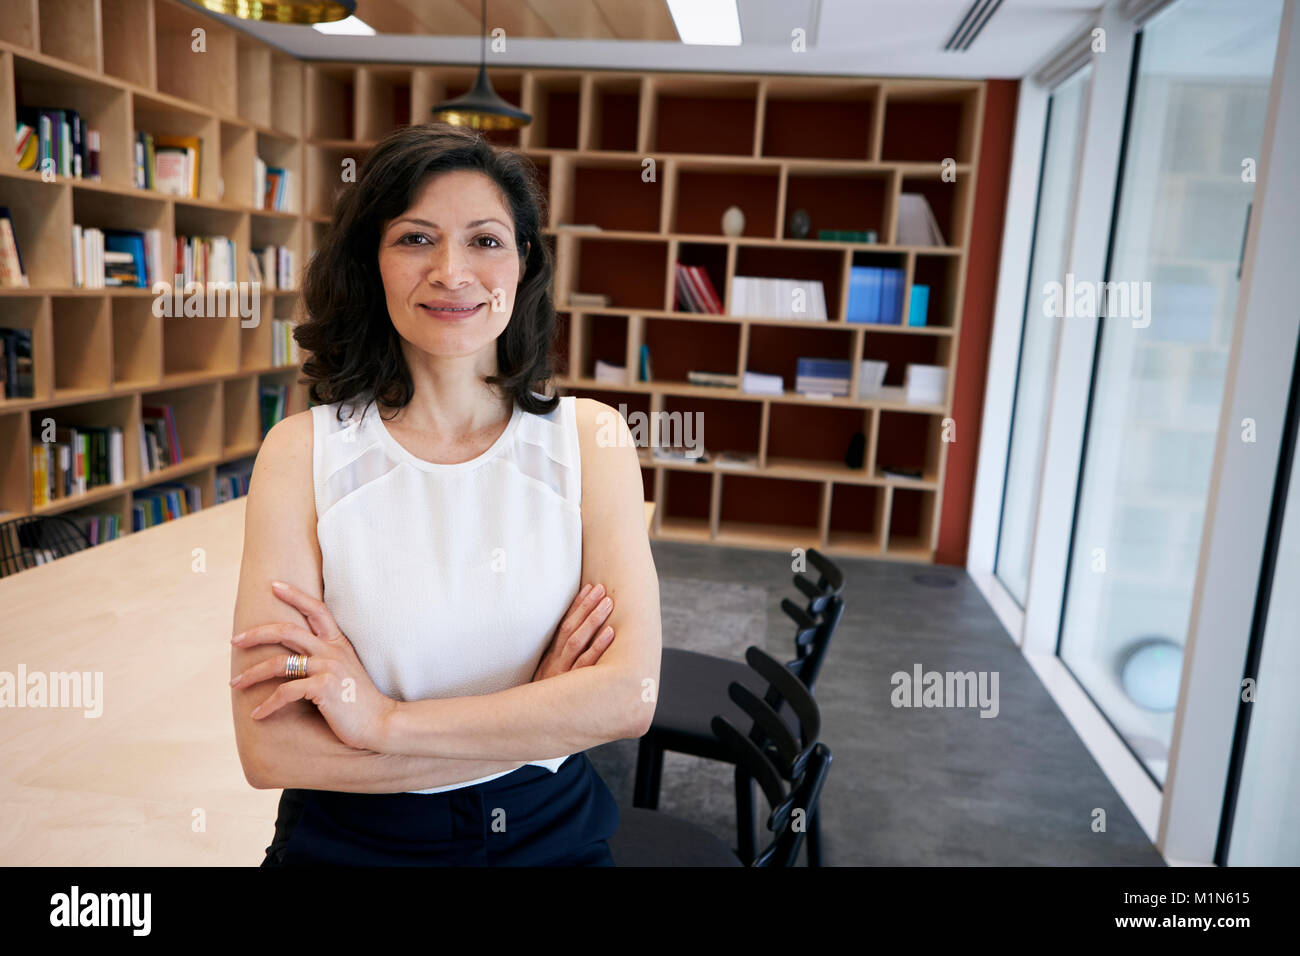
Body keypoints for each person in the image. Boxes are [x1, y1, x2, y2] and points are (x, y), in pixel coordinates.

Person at [228, 123, 662, 865]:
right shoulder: (301, 451)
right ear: (373, 262)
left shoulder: (592, 440)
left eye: (486, 240)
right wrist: (537, 722)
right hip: (351, 840)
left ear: (524, 262)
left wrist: (384, 721)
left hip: (546, 833)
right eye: (416, 238)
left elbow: (629, 697)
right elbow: (271, 751)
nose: (453, 271)